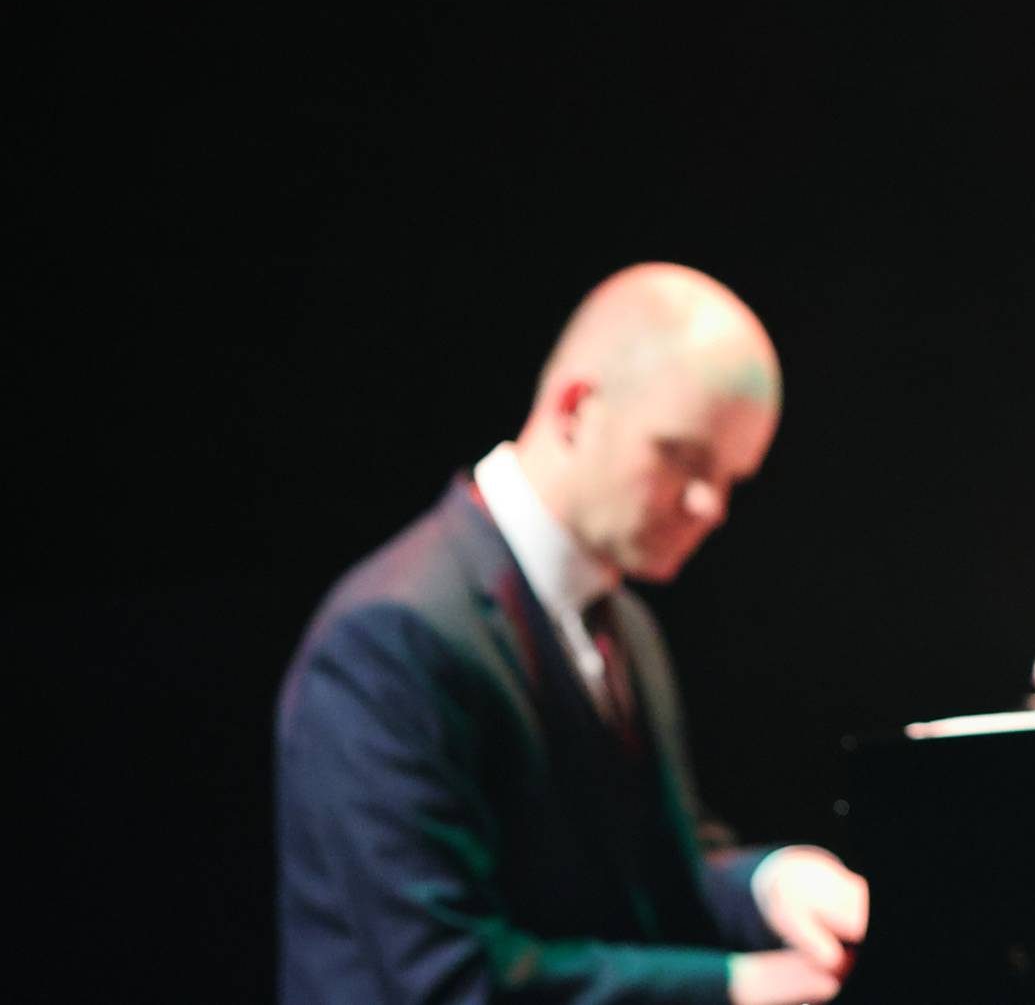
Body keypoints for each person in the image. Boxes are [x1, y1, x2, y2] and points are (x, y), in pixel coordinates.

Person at [277, 263, 872, 1005]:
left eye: (731, 478)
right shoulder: (391, 637)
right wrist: (732, 986)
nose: (710, 505)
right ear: (576, 407)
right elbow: (444, 975)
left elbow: (655, 865)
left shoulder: (625, 623)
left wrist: (772, 882)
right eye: (685, 458)